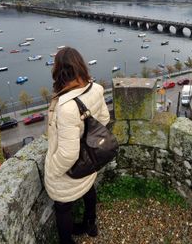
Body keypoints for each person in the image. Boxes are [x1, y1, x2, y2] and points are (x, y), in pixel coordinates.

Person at [45, 47, 110, 244]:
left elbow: (67, 155)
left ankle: (67, 241)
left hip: (69, 169)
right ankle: (91, 226)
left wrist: (52, 171)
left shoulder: (66, 107)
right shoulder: (96, 89)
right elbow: (105, 119)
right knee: (88, 189)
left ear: (59, 71)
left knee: (63, 207)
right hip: (89, 159)